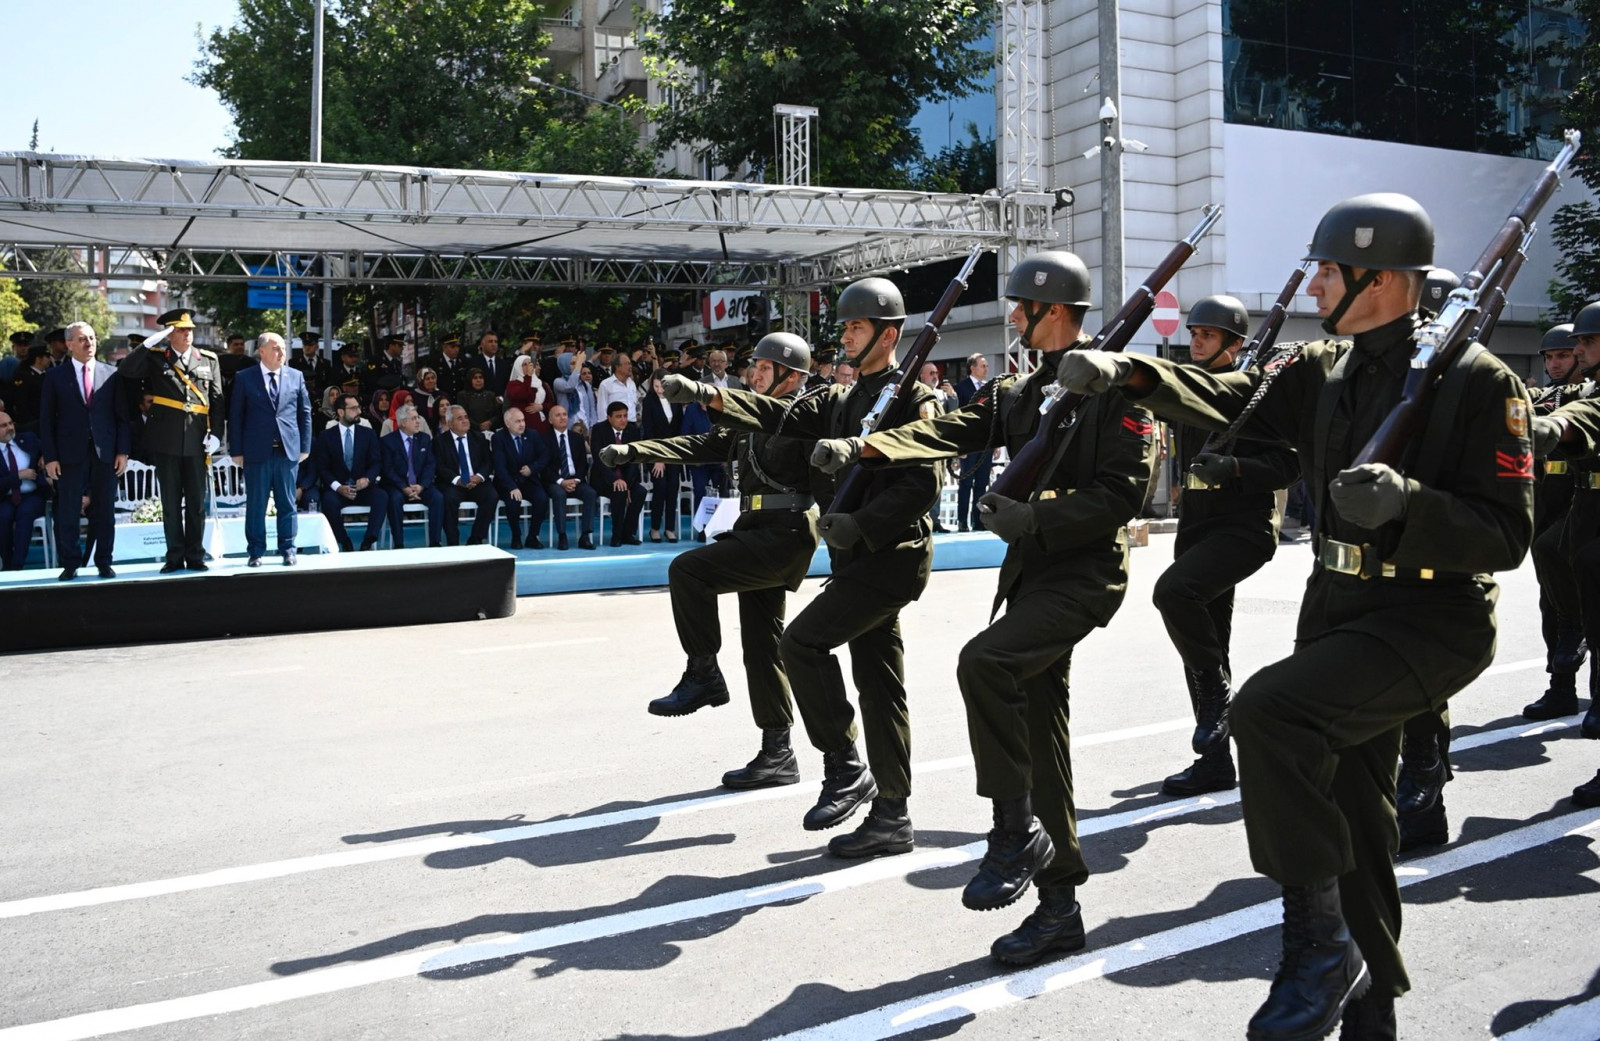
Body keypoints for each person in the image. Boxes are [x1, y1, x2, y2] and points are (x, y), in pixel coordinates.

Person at [1056, 193, 1534, 1038]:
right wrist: (1133, 374)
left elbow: (1507, 534)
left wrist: (1410, 502)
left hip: (1432, 617)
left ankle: (1319, 946)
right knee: (1358, 814)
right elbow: (1232, 397)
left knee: (1269, 711)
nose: (1313, 284)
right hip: (1338, 604)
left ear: (1378, 279)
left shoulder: (1477, 379)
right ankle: (1372, 1006)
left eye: (1327, 271)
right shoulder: (1324, 368)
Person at [813, 253, 1156, 963]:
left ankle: (1012, 831)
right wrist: (868, 447)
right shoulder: (1020, 390)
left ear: (1053, 311)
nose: (1013, 317)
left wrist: (1038, 517)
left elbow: (1124, 494)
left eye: (1021, 307)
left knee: (984, 661)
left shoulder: (1116, 388)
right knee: (1044, 740)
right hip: (1033, 575)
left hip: (1085, 573)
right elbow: (946, 432)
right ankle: (1059, 908)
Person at [675, 279, 944, 861]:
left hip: (891, 556)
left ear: (889, 334)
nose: (844, 336)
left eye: (855, 327)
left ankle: (845, 766)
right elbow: (776, 414)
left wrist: (861, 525)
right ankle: (892, 816)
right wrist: (708, 395)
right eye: (844, 327)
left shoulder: (913, 399)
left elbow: (924, 482)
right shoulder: (840, 400)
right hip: (854, 558)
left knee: (801, 643)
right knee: (880, 687)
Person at [605, 333, 819, 789]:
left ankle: (703, 673)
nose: (754, 374)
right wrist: (637, 451)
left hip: (786, 535)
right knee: (762, 645)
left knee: (688, 570)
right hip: (755, 529)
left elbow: (832, 483)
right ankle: (778, 753)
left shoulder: (804, 415)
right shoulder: (750, 415)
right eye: (754, 366)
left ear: (792, 375)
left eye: (765, 368)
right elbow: (701, 446)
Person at [1149, 296, 1299, 798]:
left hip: (1244, 526)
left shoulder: (1256, 393)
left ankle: (1218, 699)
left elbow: (1289, 466)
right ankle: (1215, 762)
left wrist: (1235, 468)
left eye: (1208, 336)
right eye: (1193, 334)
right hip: (1197, 524)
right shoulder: (1189, 387)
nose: (1196, 342)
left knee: (1174, 594)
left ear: (1234, 344)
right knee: (1206, 642)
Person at [1527, 315, 1599, 728]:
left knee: (1586, 606)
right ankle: (1561, 688)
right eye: (1550, 356)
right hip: (1557, 510)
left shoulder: (1584, 396)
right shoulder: (1565, 393)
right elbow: (1533, 400)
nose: (1557, 362)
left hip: (1578, 510)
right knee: (1553, 607)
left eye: (1565, 354)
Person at [116, 309, 223, 572]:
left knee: (196, 503)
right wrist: (148, 343)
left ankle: (195, 555)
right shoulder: (155, 358)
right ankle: (174, 556)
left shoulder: (208, 360)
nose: (187, 334)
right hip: (166, 441)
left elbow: (218, 402)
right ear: (169, 334)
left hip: (197, 440)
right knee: (171, 503)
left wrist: (217, 435)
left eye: (189, 329)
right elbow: (127, 369)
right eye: (181, 330)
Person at [39, 323, 131, 580]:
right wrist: (51, 457)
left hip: (105, 453)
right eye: (82, 339)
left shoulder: (111, 374)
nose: (89, 343)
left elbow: (122, 417)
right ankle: (70, 563)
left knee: (105, 512)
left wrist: (122, 451)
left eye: (91, 338)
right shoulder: (54, 376)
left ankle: (104, 561)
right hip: (69, 454)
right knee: (68, 511)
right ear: (69, 344)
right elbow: (46, 420)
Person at [229, 332, 313, 567]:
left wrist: (304, 447)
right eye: (276, 348)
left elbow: (305, 413)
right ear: (262, 351)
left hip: (287, 451)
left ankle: (288, 549)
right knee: (257, 504)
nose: (281, 352)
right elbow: (235, 416)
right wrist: (236, 450)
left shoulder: (295, 376)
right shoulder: (245, 377)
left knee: (287, 503)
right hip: (257, 452)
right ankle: (256, 551)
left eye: (283, 348)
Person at [314, 393, 389, 551]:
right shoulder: (326, 436)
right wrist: (338, 487)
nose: (359, 411)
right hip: (339, 489)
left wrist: (367, 479)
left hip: (363, 487)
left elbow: (376, 462)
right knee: (328, 501)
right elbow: (322, 468)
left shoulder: (368, 434)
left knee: (381, 496)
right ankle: (344, 541)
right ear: (341, 412)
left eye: (358, 407)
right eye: (353, 408)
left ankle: (369, 540)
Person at [380, 403, 443, 548]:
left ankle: (435, 542)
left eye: (418, 417)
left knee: (438, 498)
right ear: (403, 422)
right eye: (414, 418)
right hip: (397, 486)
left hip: (420, 485)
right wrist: (404, 487)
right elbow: (387, 469)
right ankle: (399, 544)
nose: (418, 421)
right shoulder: (387, 441)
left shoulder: (424, 439)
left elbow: (430, 465)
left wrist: (421, 486)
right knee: (394, 500)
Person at [433, 405, 496, 546]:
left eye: (466, 417)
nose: (465, 420)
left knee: (491, 496)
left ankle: (476, 538)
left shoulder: (479, 438)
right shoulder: (439, 442)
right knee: (447, 499)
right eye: (460, 418)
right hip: (454, 484)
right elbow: (439, 467)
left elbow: (488, 462)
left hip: (476, 482)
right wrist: (457, 480)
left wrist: (479, 477)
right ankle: (453, 541)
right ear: (450, 423)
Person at [491, 406, 550, 549]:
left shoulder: (532, 434)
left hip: (528, 480)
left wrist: (532, 468)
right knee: (513, 501)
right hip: (507, 482)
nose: (522, 424)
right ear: (507, 423)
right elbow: (499, 467)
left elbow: (544, 456)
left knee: (541, 498)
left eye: (523, 420)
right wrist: (512, 486)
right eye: (517, 421)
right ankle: (516, 536)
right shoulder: (498, 438)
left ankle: (532, 536)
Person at [541, 404, 598, 550]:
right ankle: (562, 535)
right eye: (558, 415)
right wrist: (562, 481)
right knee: (559, 494)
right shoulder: (544, 439)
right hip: (555, 481)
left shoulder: (577, 438)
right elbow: (544, 467)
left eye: (565, 414)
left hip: (575, 480)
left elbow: (583, 464)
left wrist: (576, 480)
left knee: (590, 493)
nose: (562, 418)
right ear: (550, 420)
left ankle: (585, 536)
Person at [590, 400, 645, 545]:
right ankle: (617, 535)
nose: (623, 420)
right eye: (619, 416)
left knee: (640, 492)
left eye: (625, 416)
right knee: (619, 492)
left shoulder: (632, 430)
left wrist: (626, 483)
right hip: (604, 479)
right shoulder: (599, 429)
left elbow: (634, 460)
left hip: (627, 478)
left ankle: (628, 533)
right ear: (609, 418)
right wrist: (615, 479)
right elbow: (599, 458)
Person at [641, 375, 685, 542]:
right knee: (660, 487)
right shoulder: (649, 402)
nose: (660, 390)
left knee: (673, 487)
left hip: (672, 452)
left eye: (663, 387)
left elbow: (679, 428)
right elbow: (648, 431)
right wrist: (657, 458)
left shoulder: (676, 400)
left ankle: (669, 528)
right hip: (655, 453)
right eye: (656, 386)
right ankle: (654, 528)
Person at [0, 410, 46, 570]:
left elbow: (48, 447)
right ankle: (7, 564)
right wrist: (18, 476)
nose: (10, 428)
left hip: (32, 495)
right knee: (3, 517)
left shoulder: (28, 439)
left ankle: (17, 565)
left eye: (10, 423)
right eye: (3, 426)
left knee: (24, 513)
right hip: (5, 497)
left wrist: (46, 455)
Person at [954, 353, 993, 531]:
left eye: (987, 366)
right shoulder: (961, 388)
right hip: (969, 443)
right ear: (972, 368)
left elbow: (993, 415)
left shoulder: (989, 388)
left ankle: (978, 520)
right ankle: (962, 520)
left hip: (986, 442)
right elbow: (957, 417)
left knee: (982, 482)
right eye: (983, 366)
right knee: (966, 482)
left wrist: (995, 442)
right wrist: (960, 446)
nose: (986, 369)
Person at [505, 354, 548, 430]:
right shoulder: (513, 384)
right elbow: (524, 395)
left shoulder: (539, 383)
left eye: (530, 364)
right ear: (518, 367)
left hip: (542, 423)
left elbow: (551, 402)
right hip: (525, 425)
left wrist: (542, 406)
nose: (528, 366)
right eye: (525, 364)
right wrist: (528, 377)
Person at [598, 353, 641, 423]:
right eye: (627, 364)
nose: (630, 366)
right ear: (617, 367)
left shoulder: (632, 384)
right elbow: (602, 410)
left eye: (630, 364)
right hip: (615, 425)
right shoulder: (605, 384)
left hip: (632, 424)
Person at [289, 330, 330, 402]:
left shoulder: (325, 363)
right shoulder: (294, 363)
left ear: (317, 346)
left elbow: (328, 384)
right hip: (301, 400)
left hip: (320, 400)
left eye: (311, 345)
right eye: (305, 345)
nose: (307, 348)